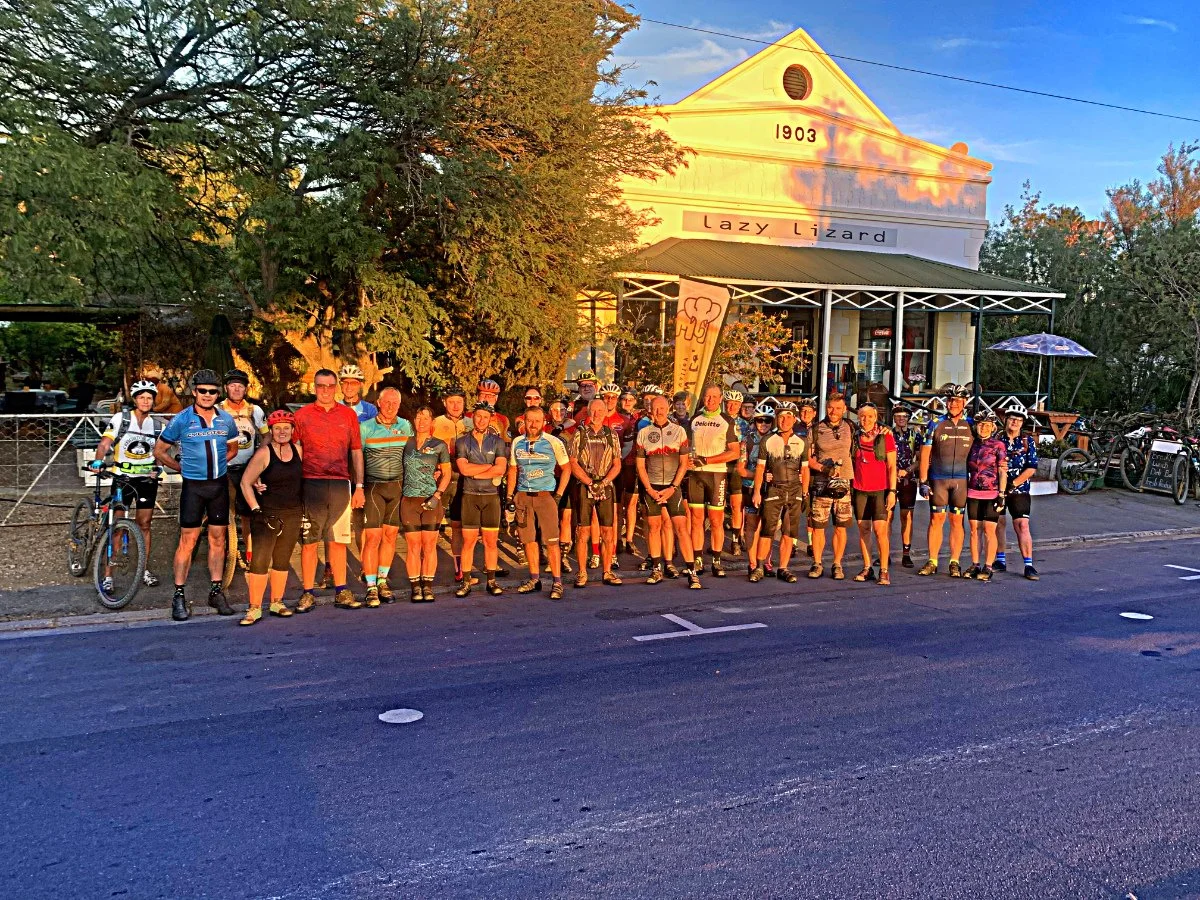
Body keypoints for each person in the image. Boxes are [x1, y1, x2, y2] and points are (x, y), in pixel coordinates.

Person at [153, 369, 240, 621]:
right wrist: (181, 468)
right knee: (187, 541)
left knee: (218, 540)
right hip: (193, 487)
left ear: (218, 394)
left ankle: (216, 591)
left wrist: (221, 462)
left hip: (218, 486)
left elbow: (233, 446)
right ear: (194, 392)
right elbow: (160, 450)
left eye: (213, 391)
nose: (207, 395)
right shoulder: (181, 419)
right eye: (203, 391)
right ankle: (178, 595)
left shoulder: (225, 419)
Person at [293, 368, 366, 612]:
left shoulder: (347, 415)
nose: (325, 390)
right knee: (309, 541)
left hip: (339, 483)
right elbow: (295, 451)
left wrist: (359, 486)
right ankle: (307, 592)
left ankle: (341, 590)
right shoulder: (302, 415)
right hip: (310, 482)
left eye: (330, 386)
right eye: (320, 386)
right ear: (314, 387)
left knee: (338, 541)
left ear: (336, 387)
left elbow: (356, 451)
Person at [90, 379, 163, 589]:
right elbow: (105, 442)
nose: (146, 401)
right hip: (122, 478)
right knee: (117, 527)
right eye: (142, 397)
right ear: (135, 399)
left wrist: (158, 467)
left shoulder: (156, 424)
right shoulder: (121, 418)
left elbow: (159, 450)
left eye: (150, 398)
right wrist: (99, 459)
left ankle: (143, 569)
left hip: (146, 480)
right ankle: (108, 575)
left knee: (145, 525)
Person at [237, 410, 302, 625]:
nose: (282, 432)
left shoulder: (299, 451)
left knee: (282, 560)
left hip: (292, 512)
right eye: (277, 428)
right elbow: (246, 482)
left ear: (293, 430)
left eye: (286, 428)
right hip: (267, 514)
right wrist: (255, 508)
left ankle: (277, 602)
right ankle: (254, 607)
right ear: (271, 431)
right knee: (260, 561)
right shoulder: (264, 453)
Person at [506, 406, 572, 599]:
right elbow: (512, 470)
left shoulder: (553, 442)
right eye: (529, 421)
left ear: (544, 422)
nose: (533, 425)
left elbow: (566, 469)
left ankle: (557, 582)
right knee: (529, 540)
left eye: (537, 421)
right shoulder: (517, 442)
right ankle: (534, 579)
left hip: (545, 496)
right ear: (524, 421)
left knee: (551, 541)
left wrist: (558, 495)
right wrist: (510, 496)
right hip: (523, 496)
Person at [636, 394, 700, 589]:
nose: (659, 412)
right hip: (652, 487)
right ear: (651, 410)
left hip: (673, 487)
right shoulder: (644, 432)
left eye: (662, 408)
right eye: (655, 408)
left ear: (668, 408)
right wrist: (649, 489)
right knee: (654, 528)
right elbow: (640, 466)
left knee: (681, 528)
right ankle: (656, 569)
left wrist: (673, 488)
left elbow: (683, 464)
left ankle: (692, 572)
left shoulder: (679, 431)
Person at [359, 387, 413, 606]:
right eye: (387, 402)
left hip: (397, 487)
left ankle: (382, 581)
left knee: (390, 536)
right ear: (378, 403)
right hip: (374, 487)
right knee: (373, 538)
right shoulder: (366, 427)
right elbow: (357, 459)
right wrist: (358, 487)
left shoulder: (405, 426)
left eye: (395, 403)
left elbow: (412, 456)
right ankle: (370, 587)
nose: (391, 406)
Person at [917, 386, 974, 578]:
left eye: (957, 401)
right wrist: (923, 480)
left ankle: (954, 561)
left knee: (957, 521)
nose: (953, 404)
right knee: (936, 520)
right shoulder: (936, 423)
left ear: (964, 403)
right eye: (950, 400)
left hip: (960, 481)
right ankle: (932, 560)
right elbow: (925, 453)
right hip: (938, 479)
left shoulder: (972, 424)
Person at [751, 402, 810, 582]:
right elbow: (760, 469)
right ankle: (759, 567)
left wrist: (805, 493)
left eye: (788, 417)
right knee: (767, 531)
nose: (784, 421)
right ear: (777, 418)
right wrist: (757, 492)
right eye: (781, 417)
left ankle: (783, 568)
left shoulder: (802, 441)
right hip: (774, 489)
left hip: (794, 490)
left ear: (794, 419)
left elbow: (805, 470)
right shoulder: (767, 440)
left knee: (788, 532)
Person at [568, 398, 623, 587]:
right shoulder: (579, 433)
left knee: (608, 531)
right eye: (593, 411)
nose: (597, 414)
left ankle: (607, 571)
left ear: (606, 412)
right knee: (583, 531)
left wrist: (604, 482)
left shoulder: (611, 435)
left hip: (606, 486)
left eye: (600, 410)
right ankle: (582, 572)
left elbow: (617, 464)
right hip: (585, 485)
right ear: (588, 412)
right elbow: (573, 463)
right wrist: (590, 482)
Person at [455, 402, 508, 597]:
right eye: (478, 416)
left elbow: (501, 469)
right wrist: (488, 467)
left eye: (485, 417)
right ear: (473, 417)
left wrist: (475, 472)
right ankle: (466, 582)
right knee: (468, 541)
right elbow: (464, 470)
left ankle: (491, 581)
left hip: (491, 497)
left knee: (491, 541)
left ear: (490, 419)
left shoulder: (498, 442)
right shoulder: (461, 442)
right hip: (470, 496)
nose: (481, 420)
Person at [400, 406, 452, 602]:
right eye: (418, 417)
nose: (421, 421)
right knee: (413, 545)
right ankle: (415, 586)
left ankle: (428, 586)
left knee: (429, 545)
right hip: (409, 499)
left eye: (426, 418)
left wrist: (437, 495)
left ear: (432, 422)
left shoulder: (440, 445)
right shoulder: (406, 442)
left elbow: (446, 473)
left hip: (431, 499)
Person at [218, 368, 268, 570]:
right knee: (223, 514)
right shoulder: (218, 409)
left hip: (248, 467)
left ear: (246, 389)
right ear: (226, 388)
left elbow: (267, 435)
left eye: (240, 386)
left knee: (248, 514)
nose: (236, 389)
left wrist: (261, 457)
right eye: (232, 385)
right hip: (224, 466)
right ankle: (223, 554)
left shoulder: (254, 410)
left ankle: (249, 553)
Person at [688, 384, 740, 577]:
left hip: (716, 474)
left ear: (720, 399)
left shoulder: (726, 421)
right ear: (703, 398)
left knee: (716, 520)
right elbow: (686, 447)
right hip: (696, 475)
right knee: (696, 520)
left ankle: (717, 561)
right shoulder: (695, 419)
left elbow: (734, 452)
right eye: (707, 397)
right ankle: (698, 559)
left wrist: (707, 460)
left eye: (714, 397)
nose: (710, 400)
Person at [807, 393, 854, 579]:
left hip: (844, 482)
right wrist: (823, 468)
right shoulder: (816, 428)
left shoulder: (851, 426)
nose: (833, 412)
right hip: (822, 482)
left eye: (837, 408)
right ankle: (817, 563)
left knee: (840, 526)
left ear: (844, 409)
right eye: (830, 407)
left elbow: (870, 433)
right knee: (819, 526)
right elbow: (808, 458)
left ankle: (837, 564)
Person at [850, 403, 897, 585]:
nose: (866, 420)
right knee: (863, 529)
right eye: (862, 416)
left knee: (880, 531)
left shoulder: (885, 437)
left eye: (870, 416)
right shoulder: (855, 437)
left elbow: (892, 466)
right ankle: (867, 566)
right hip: (860, 489)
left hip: (880, 490)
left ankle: (884, 570)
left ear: (876, 417)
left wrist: (892, 491)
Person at [996, 409, 1040, 580]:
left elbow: (1031, 467)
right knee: (998, 523)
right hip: (997, 488)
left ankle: (1028, 565)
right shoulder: (997, 439)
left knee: (1022, 525)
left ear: (1023, 423)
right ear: (1006, 420)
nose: (1014, 422)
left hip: (1019, 489)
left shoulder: (1028, 441)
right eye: (1012, 419)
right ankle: (1000, 559)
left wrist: (1013, 484)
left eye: (1019, 420)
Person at [964, 412, 1007, 582]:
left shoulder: (998, 445)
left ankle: (988, 565)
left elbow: (1003, 470)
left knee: (990, 530)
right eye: (981, 425)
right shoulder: (972, 444)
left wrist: (1002, 494)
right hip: (973, 491)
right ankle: (975, 564)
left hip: (992, 492)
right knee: (975, 530)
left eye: (987, 425)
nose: (983, 428)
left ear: (993, 427)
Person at [433, 386, 470, 584]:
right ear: (444, 403)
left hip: (463, 479)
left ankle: (460, 570)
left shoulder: (472, 423)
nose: (455, 406)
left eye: (459, 402)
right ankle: (427, 568)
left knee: (458, 526)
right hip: (441, 479)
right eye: (451, 401)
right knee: (432, 524)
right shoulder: (435, 423)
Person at [739, 403, 775, 579]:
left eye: (767, 420)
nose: (763, 424)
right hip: (750, 487)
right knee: (751, 526)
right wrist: (758, 476)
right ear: (754, 420)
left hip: (771, 490)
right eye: (760, 420)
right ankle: (752, 563)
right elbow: (741, 469)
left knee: (769, 527)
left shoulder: (776, 440)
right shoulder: (747, 440)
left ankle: (766, 561)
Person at [889, 407, 923, 568]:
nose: (901, 419)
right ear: (894, 418)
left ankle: (906, 553)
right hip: (890, 479)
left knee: (907, 517)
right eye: (898, 416)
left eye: (904, 416)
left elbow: (921, 458)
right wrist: (894, 470)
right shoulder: (887, 434)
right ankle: (885, 552)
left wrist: (908, 470)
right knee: (887, 517)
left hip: (909, 479)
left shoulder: (915, 435)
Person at [723, 389, 747, 556]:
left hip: (736, 466)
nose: (732, 407)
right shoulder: (719, 420)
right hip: (718, 466)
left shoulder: (745, 424)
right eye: (729, 403)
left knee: (736, 505)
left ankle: (736, 540)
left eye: (736, 404)